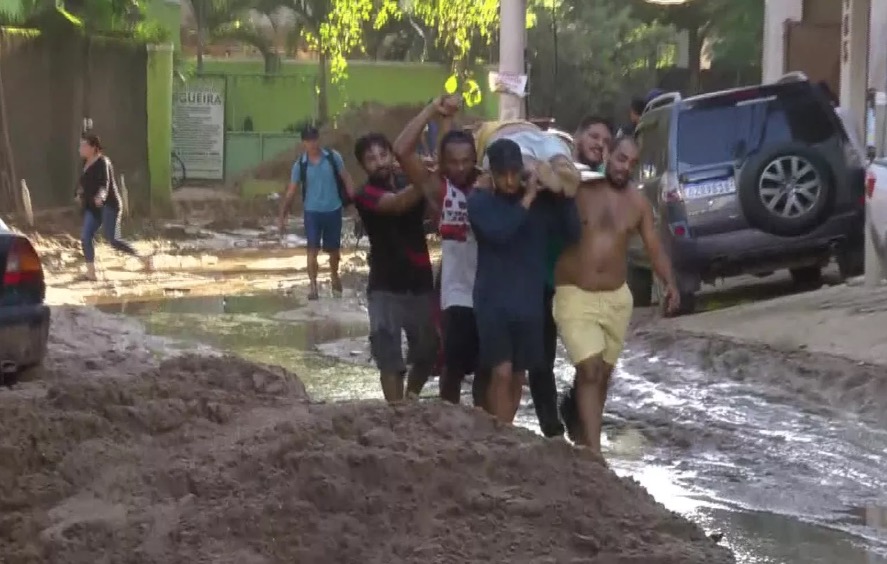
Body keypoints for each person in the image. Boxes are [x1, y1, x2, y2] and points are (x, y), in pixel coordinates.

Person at [554, 136, 679, 454]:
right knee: (590, 370)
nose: (625, 167)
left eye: (632, 163)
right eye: (621, 158)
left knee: (602, 377)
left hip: (616, 299)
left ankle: (582, 430)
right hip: (575, 294)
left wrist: (670, 283)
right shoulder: (579, 190)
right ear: (607, 153)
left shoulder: (638, 203)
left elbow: (653, 247)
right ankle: (594, 454)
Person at [468, 138, 579, 424]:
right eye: (501, 174)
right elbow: (500, 232)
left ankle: (504, 428)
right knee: (501, 371)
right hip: (493, 302)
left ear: (522, 171)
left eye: (513, 173)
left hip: (528, 302)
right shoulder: (480, 202)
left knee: (518, 374)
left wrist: (561, 192)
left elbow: (573, 232)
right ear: (491, 174)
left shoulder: (543, 204)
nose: (509, 180)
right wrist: (528, 198)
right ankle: (499, 431)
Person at [394, 95, 491, 406]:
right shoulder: (441, 191)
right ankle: (447, 418)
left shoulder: (491, 186)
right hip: (455, 292)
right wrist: (432, 111)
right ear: (443, 163)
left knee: (487, 368)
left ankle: (483, 422)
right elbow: (401, 150)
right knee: (452, 366)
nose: (460, 167)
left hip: (491, 291)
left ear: (476, 158)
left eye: (466, 160)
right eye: (453, 162)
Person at [351, 133, 438, 403]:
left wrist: (425, 176)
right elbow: (398, 203)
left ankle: (410, 400)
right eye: (371, 159)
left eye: (383, 155)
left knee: (428, 351)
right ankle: (395, 411)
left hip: (420, 282)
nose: (379, 162)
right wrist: (425, 178)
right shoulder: (365, 195)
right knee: (388, 353)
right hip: (384, 287)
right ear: (363, 166)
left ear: (392, 156)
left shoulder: (408, 181)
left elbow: (433, 209)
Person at [278, 125, 355, 300]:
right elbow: (291, 191)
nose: (312, 143)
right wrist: (282, 215)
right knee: (312, 250)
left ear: (318, 139)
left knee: (333, 251)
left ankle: (334, 274)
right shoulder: (300, 165)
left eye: (314, 139)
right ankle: (313, 286)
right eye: (308, 140)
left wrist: (354, 202)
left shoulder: (333, 157)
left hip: (333, 210)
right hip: (312, 212)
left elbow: (346, 177)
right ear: (303, 143)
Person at [76, 133, 151, 281]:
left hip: (109, 205)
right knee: (86, 237)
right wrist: (77, 193)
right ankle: (91, 273)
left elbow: (105, 183)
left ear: (93, 147)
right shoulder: (84, 164)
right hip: (93, 207)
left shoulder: (103, 162)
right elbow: (82, 184)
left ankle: (143, 258)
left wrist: (101, 196)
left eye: (83, 145)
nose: (80, 148)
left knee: (113, 240)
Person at [474, 119, 581, 197]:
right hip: (540, 135)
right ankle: (563, 167)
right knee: (558, 155)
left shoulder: (482, 133)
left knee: (520, 159)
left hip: (507, 137)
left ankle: (534, 169)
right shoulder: (522, 123)